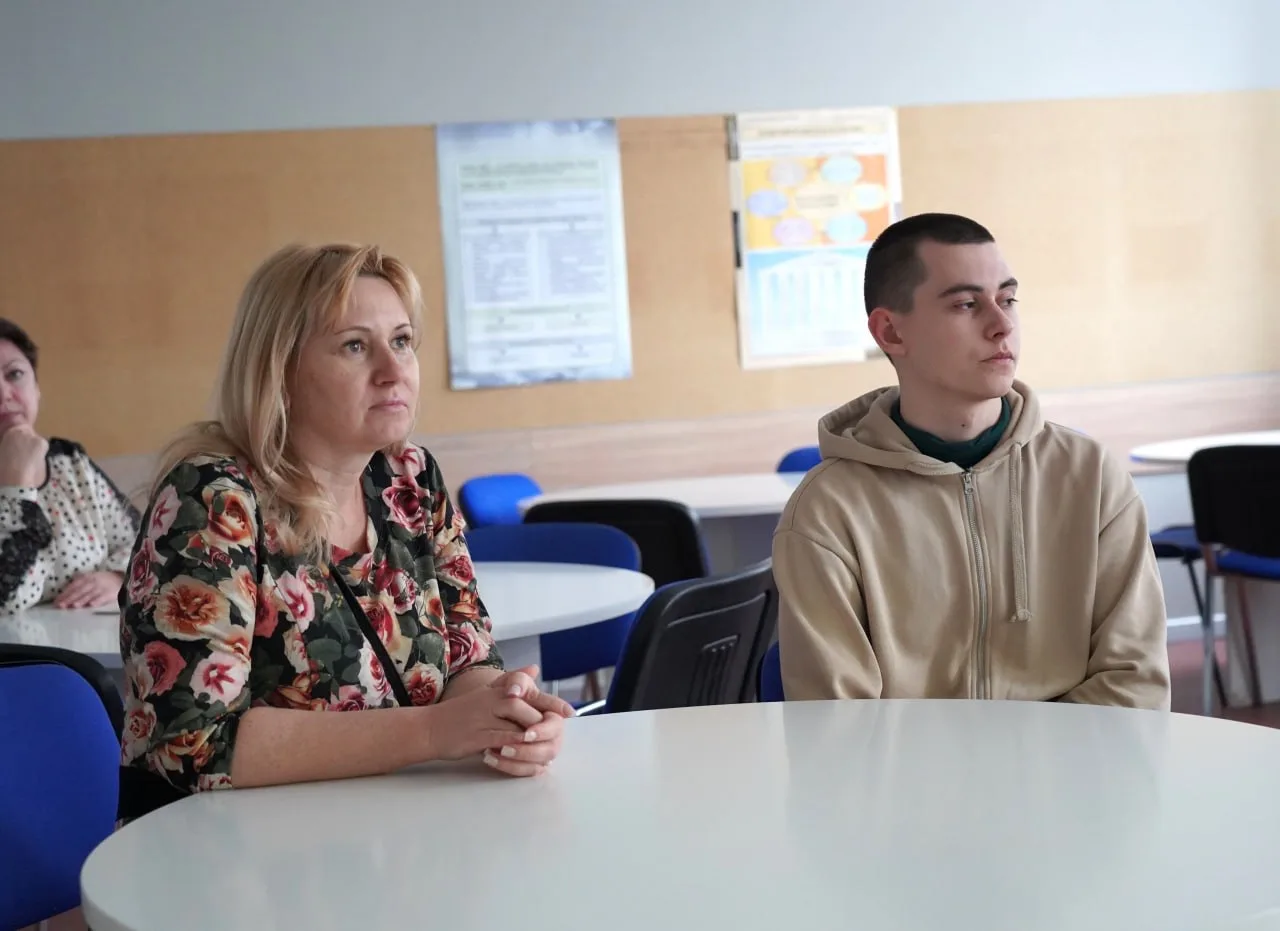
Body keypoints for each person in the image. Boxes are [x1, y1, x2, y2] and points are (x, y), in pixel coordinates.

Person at [120, 243, 572, 803]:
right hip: (230, 841)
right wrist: (434, 732)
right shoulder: (212, 497)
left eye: (401, 341)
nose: (393, 370)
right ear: (280, 371)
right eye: (355, 346)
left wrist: (506, 715)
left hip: (396, 826)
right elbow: (194, 742)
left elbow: (467, 657)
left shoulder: (411, 478)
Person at [773, 213, 1170, 709]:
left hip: (1074, 760)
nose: (1002, 325)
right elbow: (839, 724)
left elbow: (1135, 684)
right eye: (966, 304)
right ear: (891, 332)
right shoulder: (828, 511)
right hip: (908, 765)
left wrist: (1029, 758)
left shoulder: (1090, 477)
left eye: (1008, 299)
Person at [0, 318, 141, 613]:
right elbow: (7, 596)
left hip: (90, 636)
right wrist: (17, 485)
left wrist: (118, 576)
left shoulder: (70, 462)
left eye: (14, 374)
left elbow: (142, 541)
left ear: (36, 388)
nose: (4, 394)